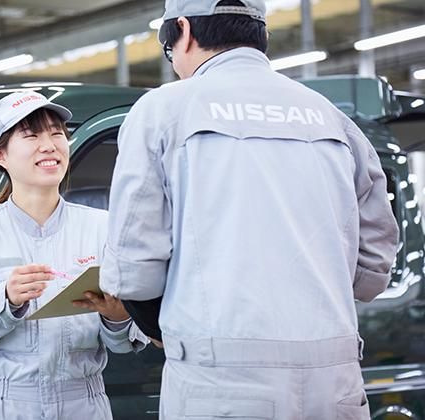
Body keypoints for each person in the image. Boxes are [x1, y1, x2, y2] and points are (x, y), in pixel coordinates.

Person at [99, 0, 399, 418]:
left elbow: (134, 271)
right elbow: (374, 267)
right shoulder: (331, 117)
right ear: (261, 34)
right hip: (335, 381)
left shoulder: (162, 110)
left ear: (183, 30)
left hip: (222, 383)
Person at [0, 91, 147, 420]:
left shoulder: (102, 228)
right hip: (2, 405)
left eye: (57, 134)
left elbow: (124, 344)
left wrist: (117, 317)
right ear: (0, 155)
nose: (49, 145)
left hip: (83, 403)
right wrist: (4, 299)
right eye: (31, 136)